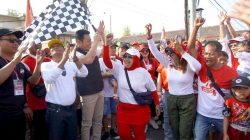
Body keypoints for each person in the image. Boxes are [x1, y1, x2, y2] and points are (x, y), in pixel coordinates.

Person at [146, 24, 201, 140]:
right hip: (172, 99)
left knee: (184, 131)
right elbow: (154, 51)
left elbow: (198, 67)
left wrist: (183, 51)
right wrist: (149, 35)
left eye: (172, 54)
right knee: (175, 130)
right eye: (168, 54)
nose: (169, 56)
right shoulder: (168, 65)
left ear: (179, 54)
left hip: (187, 100)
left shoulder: (189, 65)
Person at [102, 30, 160, 140]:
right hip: (123, 110)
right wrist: (106, 43)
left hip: (139, 111)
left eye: (130, 57)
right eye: (125, 56)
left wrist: (157, 104)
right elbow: (106, 61)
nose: (126, 59)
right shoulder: (119, 68)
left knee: (139, 136)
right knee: (124, 135)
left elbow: (153, 90)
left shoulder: (143, 72)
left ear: (137, 59)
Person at [187, 17, 238, 139]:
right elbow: (190, 48)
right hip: (202, 116)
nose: (206, 56)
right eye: (205, 53)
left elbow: (240, 94)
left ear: (219, 54)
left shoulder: (231, 73)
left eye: (210, 54)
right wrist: (195, 27)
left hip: (222, 117)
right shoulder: (201, 66)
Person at [40, 39, 88, 140]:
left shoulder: (71, 64)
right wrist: (64, 60)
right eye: (53, 47)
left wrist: (75, 59)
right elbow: (49, 79)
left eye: (58, 46)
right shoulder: (46, 65)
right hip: (55, 111)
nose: (55, 47)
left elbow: (84, 73)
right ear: (50, 52)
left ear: (64, 49)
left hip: (71, 109)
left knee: (71, 137)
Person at [0, 28, 43, 140]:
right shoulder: (16, 62)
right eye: (11, 40)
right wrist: (15, 61)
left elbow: (33, 81)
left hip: (19, 114)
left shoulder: (21, 65)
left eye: (17, 41)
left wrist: (38, 64)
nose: (16, 43)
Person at [75, 21, 105, 140]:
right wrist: (97, 40)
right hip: (87, 94)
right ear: (78, 42)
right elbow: (88, 59)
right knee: (87, 123)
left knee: (98, 120)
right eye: (88, 41)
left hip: (99, 90)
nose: (90, 43)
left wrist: (101, 35)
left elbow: (104, 48)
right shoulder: (75, 54)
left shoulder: (91, 49)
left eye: (90, 40)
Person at [22, 43, 51, 140]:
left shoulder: (47, 60)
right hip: (34, 104)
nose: (37, 44)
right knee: (36, 132)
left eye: (39, 42)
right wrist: (26, 105)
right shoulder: (24, 62)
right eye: (34, 42)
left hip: (49, 103)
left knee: (47, 131)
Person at [99, 42, 120, 140]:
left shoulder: (118, 62)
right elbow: (96, 74)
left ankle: (113, 130)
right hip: (103, 92)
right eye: (111, 48)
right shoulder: (99, 61)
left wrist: (114, 79)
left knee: (114, 112)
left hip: (115, 93)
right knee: (105, 113)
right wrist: (105, 75)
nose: (113, 50)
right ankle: (106, 131)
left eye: (114, 48)